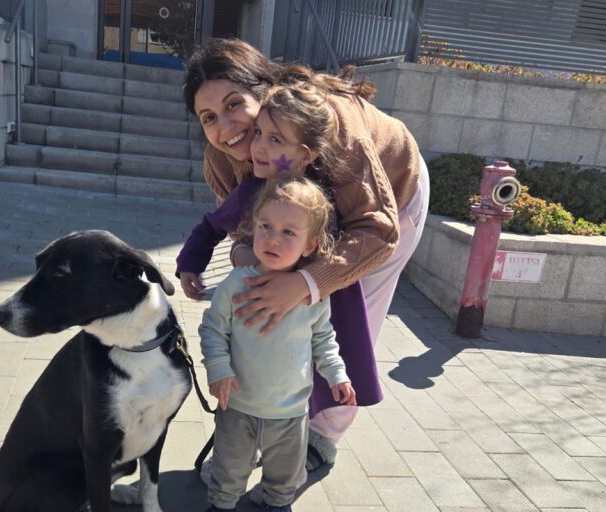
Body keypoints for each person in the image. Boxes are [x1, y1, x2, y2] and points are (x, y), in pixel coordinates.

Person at [183, 38, 430, 467]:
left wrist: (307, 282)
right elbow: (243, 227)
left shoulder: (331, 123)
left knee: (347, 316)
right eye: (208, 118)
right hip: (302, 219)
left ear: (263, 90)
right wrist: (247, 256)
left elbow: (376, 229)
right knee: (275, 310)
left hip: (383, 206)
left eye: (234, 104)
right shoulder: (222, 159)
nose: (226, 128)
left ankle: (322, 435)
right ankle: (267, 421)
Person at [177, 82, 382, 479]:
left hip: (311, 303)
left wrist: (309, 283)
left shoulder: (320, 198)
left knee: (304, 373)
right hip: (256, 304)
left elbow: (347, 248)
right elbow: (211, 225)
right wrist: (190, 262)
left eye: (275, 140)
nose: (258, 147)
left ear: (306, 155)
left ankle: (288, 462)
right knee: (252, 369)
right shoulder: (250, 191)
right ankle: (238, 450)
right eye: (259, 134)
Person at [200, 177, 357, 512]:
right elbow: (213, 329)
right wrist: (218, 368)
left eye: (288, 232)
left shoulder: (312, 295)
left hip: (291, 411)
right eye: (265, 226)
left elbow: (323, 339)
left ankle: (277, 504)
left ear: (310, 244)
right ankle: (222, 505)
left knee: (284, 476)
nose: (272, 238)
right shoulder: (236, 283)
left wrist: (337, 374)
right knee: (228, 470)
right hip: (238, 406)